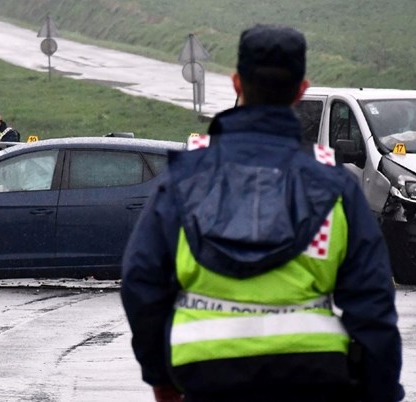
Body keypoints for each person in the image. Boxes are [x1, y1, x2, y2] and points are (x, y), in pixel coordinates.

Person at [121, 24, 404, 402]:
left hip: (204, 374)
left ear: (237, 83)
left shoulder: (184, 181)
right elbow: (372, 303)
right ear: (302, 90)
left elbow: (142, 283)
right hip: (311, 375)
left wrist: (161, 377)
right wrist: (380, 390)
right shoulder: (334, 185)